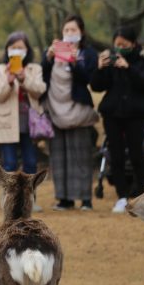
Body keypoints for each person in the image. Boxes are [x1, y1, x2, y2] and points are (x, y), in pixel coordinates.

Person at [90, 26, 144, 213]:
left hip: (136, 114)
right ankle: (121, 197)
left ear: (133, 43)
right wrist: (100, 68)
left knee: (137, 155)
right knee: (116, 155)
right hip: (113, 114)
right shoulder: (110, 59)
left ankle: (143, 196)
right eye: (117, 44)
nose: (119, 48)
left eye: (124, 44)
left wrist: (128, 68)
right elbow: (96, 86)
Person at [43, 15, 99, 211]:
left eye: (73, 30)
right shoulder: (53, 51)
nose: (69, 34)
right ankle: (64, 199)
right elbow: (43, 77)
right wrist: (48, 58)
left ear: (81, 32)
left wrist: (75, 63)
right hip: (55, 109)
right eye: (66, 30)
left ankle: (85, 199)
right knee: (58, 156)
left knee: (81, 155)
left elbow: (90, 79)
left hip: (78, 111)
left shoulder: (89, 53)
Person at [0, 32, 46, 176]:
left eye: (20, 48)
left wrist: (24, 79)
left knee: (31, 163)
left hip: (30, 122)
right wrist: (8, 81)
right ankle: (11, 198)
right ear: (7, 50)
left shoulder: (35, 69)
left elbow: (40, 90)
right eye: (13, 47)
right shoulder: (0, 70)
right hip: (7, 122)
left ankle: (29, 196)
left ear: (27, 50)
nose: (17, 51)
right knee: (9, 164)